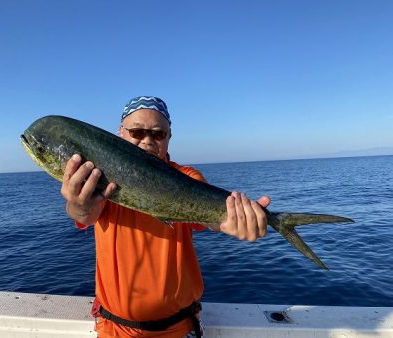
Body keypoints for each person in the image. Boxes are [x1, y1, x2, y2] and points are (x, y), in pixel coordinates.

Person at [61, 96, 271, 338]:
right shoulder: (102, 179)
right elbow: (84, 214)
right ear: (120, 133)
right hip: (115, 330)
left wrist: (236, 223)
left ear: (169, 137)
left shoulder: (186, 177)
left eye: (158, 134)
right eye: (137, 132)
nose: (147, 141)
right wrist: (77, 204)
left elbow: (212, 219)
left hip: (180, 328)